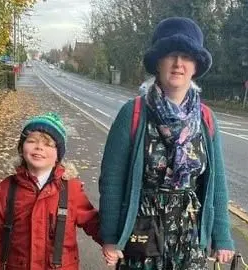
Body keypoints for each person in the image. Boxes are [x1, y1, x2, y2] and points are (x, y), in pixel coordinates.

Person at [99, 17, 235, 269]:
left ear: (195, 66)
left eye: (186, 57)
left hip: (190, 235)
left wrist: (222, 236)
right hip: (142, 233)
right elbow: (112, 180)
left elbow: (216, 185)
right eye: (170, 55)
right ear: (157, 62)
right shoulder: (134, 113)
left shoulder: (205, 118)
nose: (178, 63)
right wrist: (109, 237)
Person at [0, 112, 101, 270]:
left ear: (58, 154)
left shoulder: (70, 188)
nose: (39, 147)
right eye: (31, 141)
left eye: (48, 144)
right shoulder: (6, 188)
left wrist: (115, 242)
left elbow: (92, 221)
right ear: (21, 148)